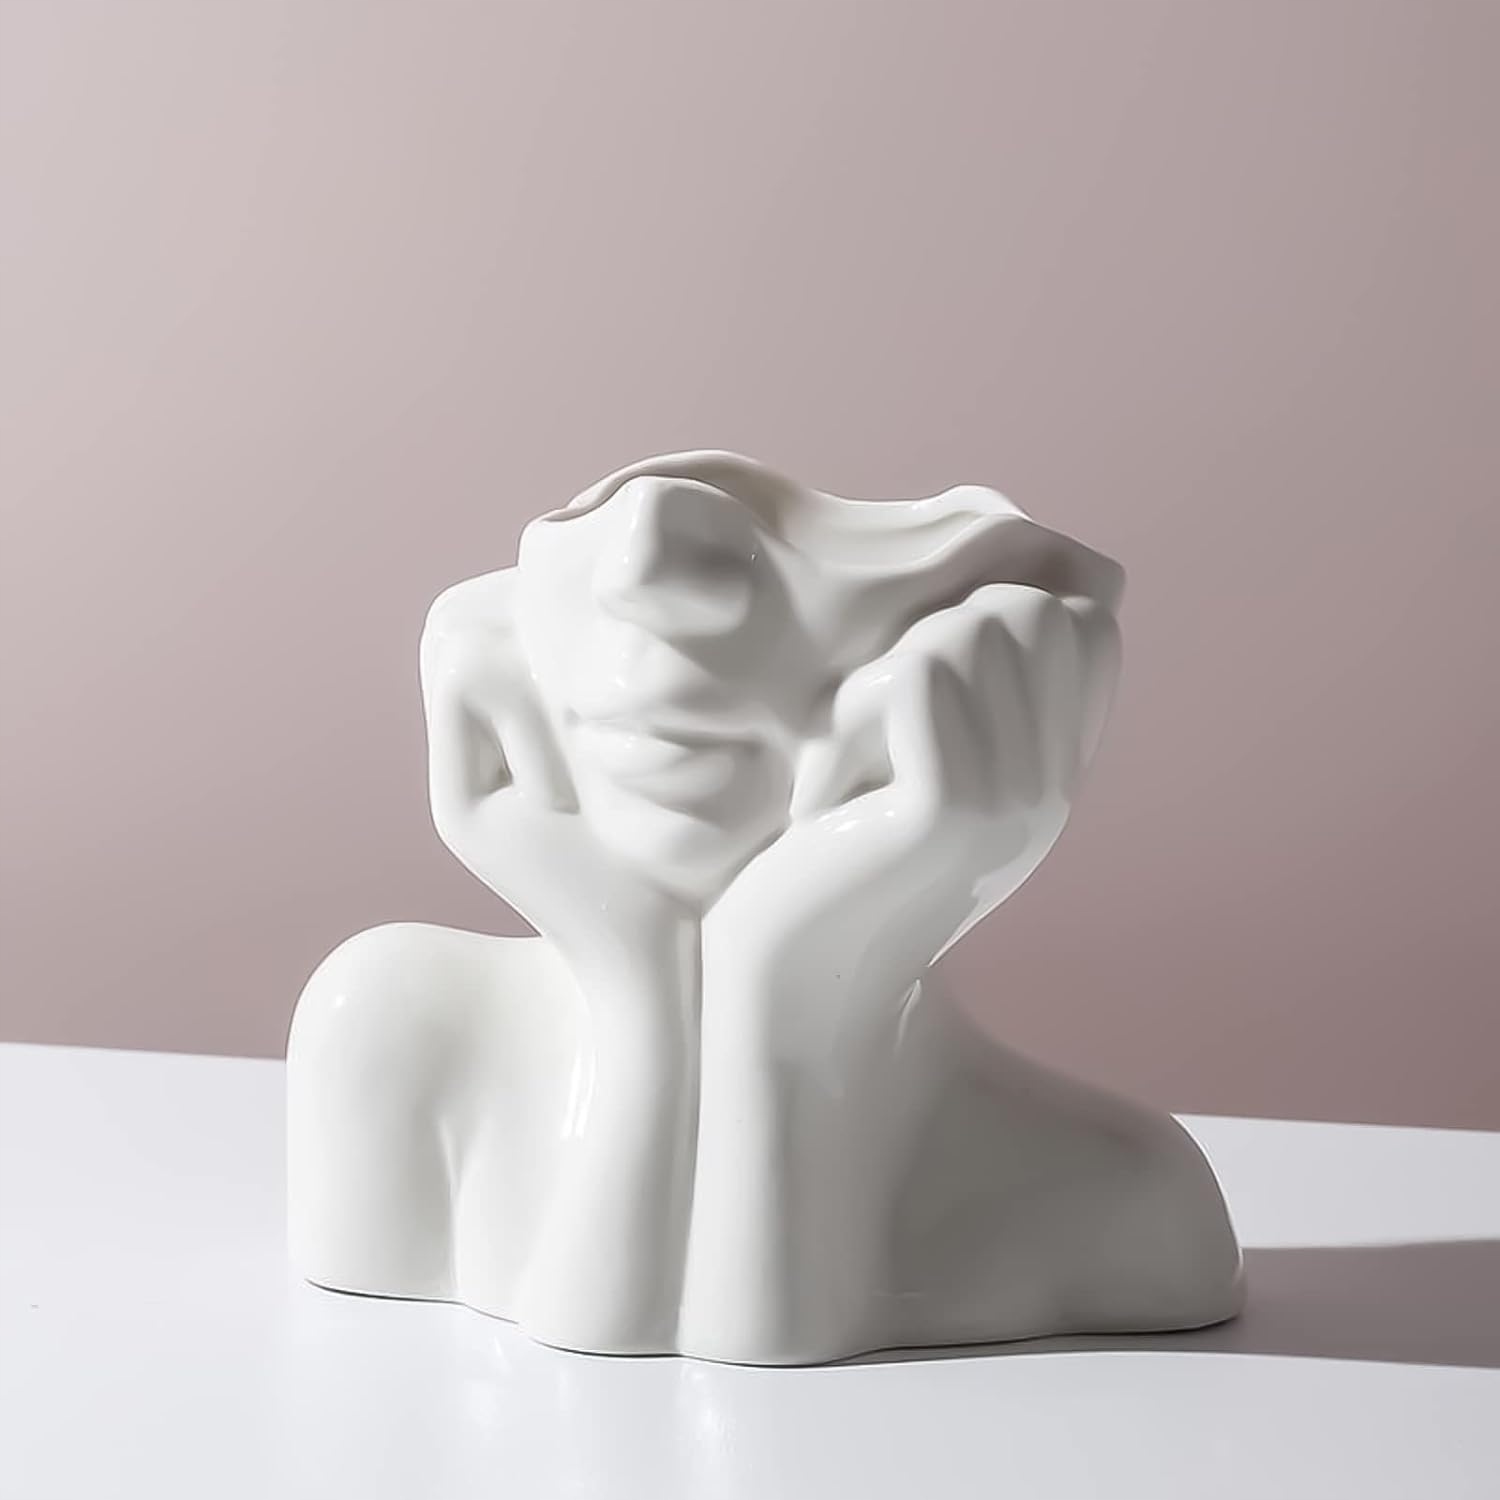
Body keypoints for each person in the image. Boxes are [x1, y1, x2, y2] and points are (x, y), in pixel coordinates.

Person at [288, 452, 1243, 1364]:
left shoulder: (1133, 1209)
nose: (645, 574)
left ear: (1016, 699)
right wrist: (633, 970)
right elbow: (610, 1353)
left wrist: (787, 982)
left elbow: (714, 1361)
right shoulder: (389, 1026)